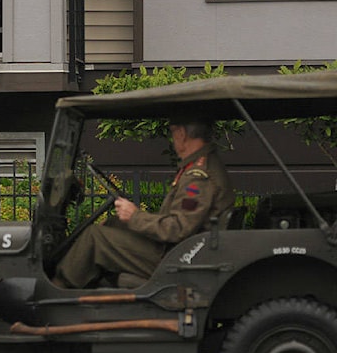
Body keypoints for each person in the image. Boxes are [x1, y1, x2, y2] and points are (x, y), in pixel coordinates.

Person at [52, 119, 235, 289]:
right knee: (114, 223)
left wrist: (135, 216)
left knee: (94, 236)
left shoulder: (197, 178)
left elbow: (178, 228)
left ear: (181, 134)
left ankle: (57, 289)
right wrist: (132, 218)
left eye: (173, 134)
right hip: (183, 251)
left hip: (179, 258)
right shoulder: (201, 166)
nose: (173, 140)